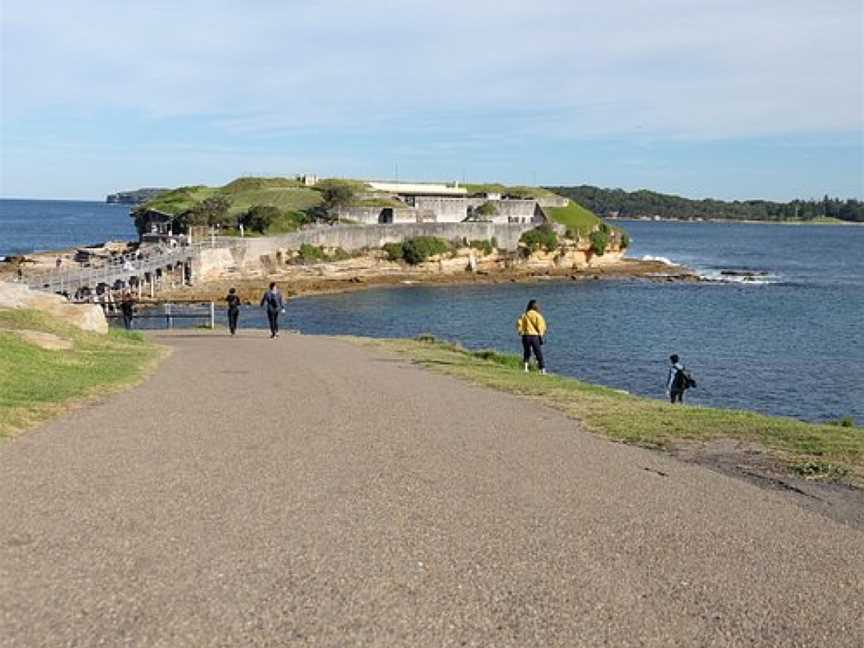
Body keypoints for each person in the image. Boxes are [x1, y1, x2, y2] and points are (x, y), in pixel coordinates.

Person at [516, 299, 548, 374]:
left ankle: (526, 368)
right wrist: (541, 334)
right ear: (536, 306)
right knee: (538, 352)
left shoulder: (524, 315)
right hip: (534, 336)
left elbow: (519, 324)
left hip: (525, 336)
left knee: (527, 352)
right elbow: (541, 326)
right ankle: (542, 370)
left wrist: (520, 332)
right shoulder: (538, 315)